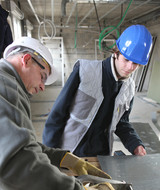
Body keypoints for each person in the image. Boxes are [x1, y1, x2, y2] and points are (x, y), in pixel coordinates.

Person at [0, 36, 120, 190]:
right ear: (26, 60)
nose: (42, 87)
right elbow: (16, 164)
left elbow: (16, 144)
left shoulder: (10, 86)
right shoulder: (4, 87)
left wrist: (61, 158)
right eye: (43, 76)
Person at [43, 25, 152, 161]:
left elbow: (122, 123)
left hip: (103, 156)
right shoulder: (84, 71)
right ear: (116, 53)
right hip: (72, 151)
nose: (130, 67)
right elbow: (57, 115)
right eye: (126, 60)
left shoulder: (129, 88)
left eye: (135, 63)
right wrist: (50, 155)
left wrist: (135, 144)